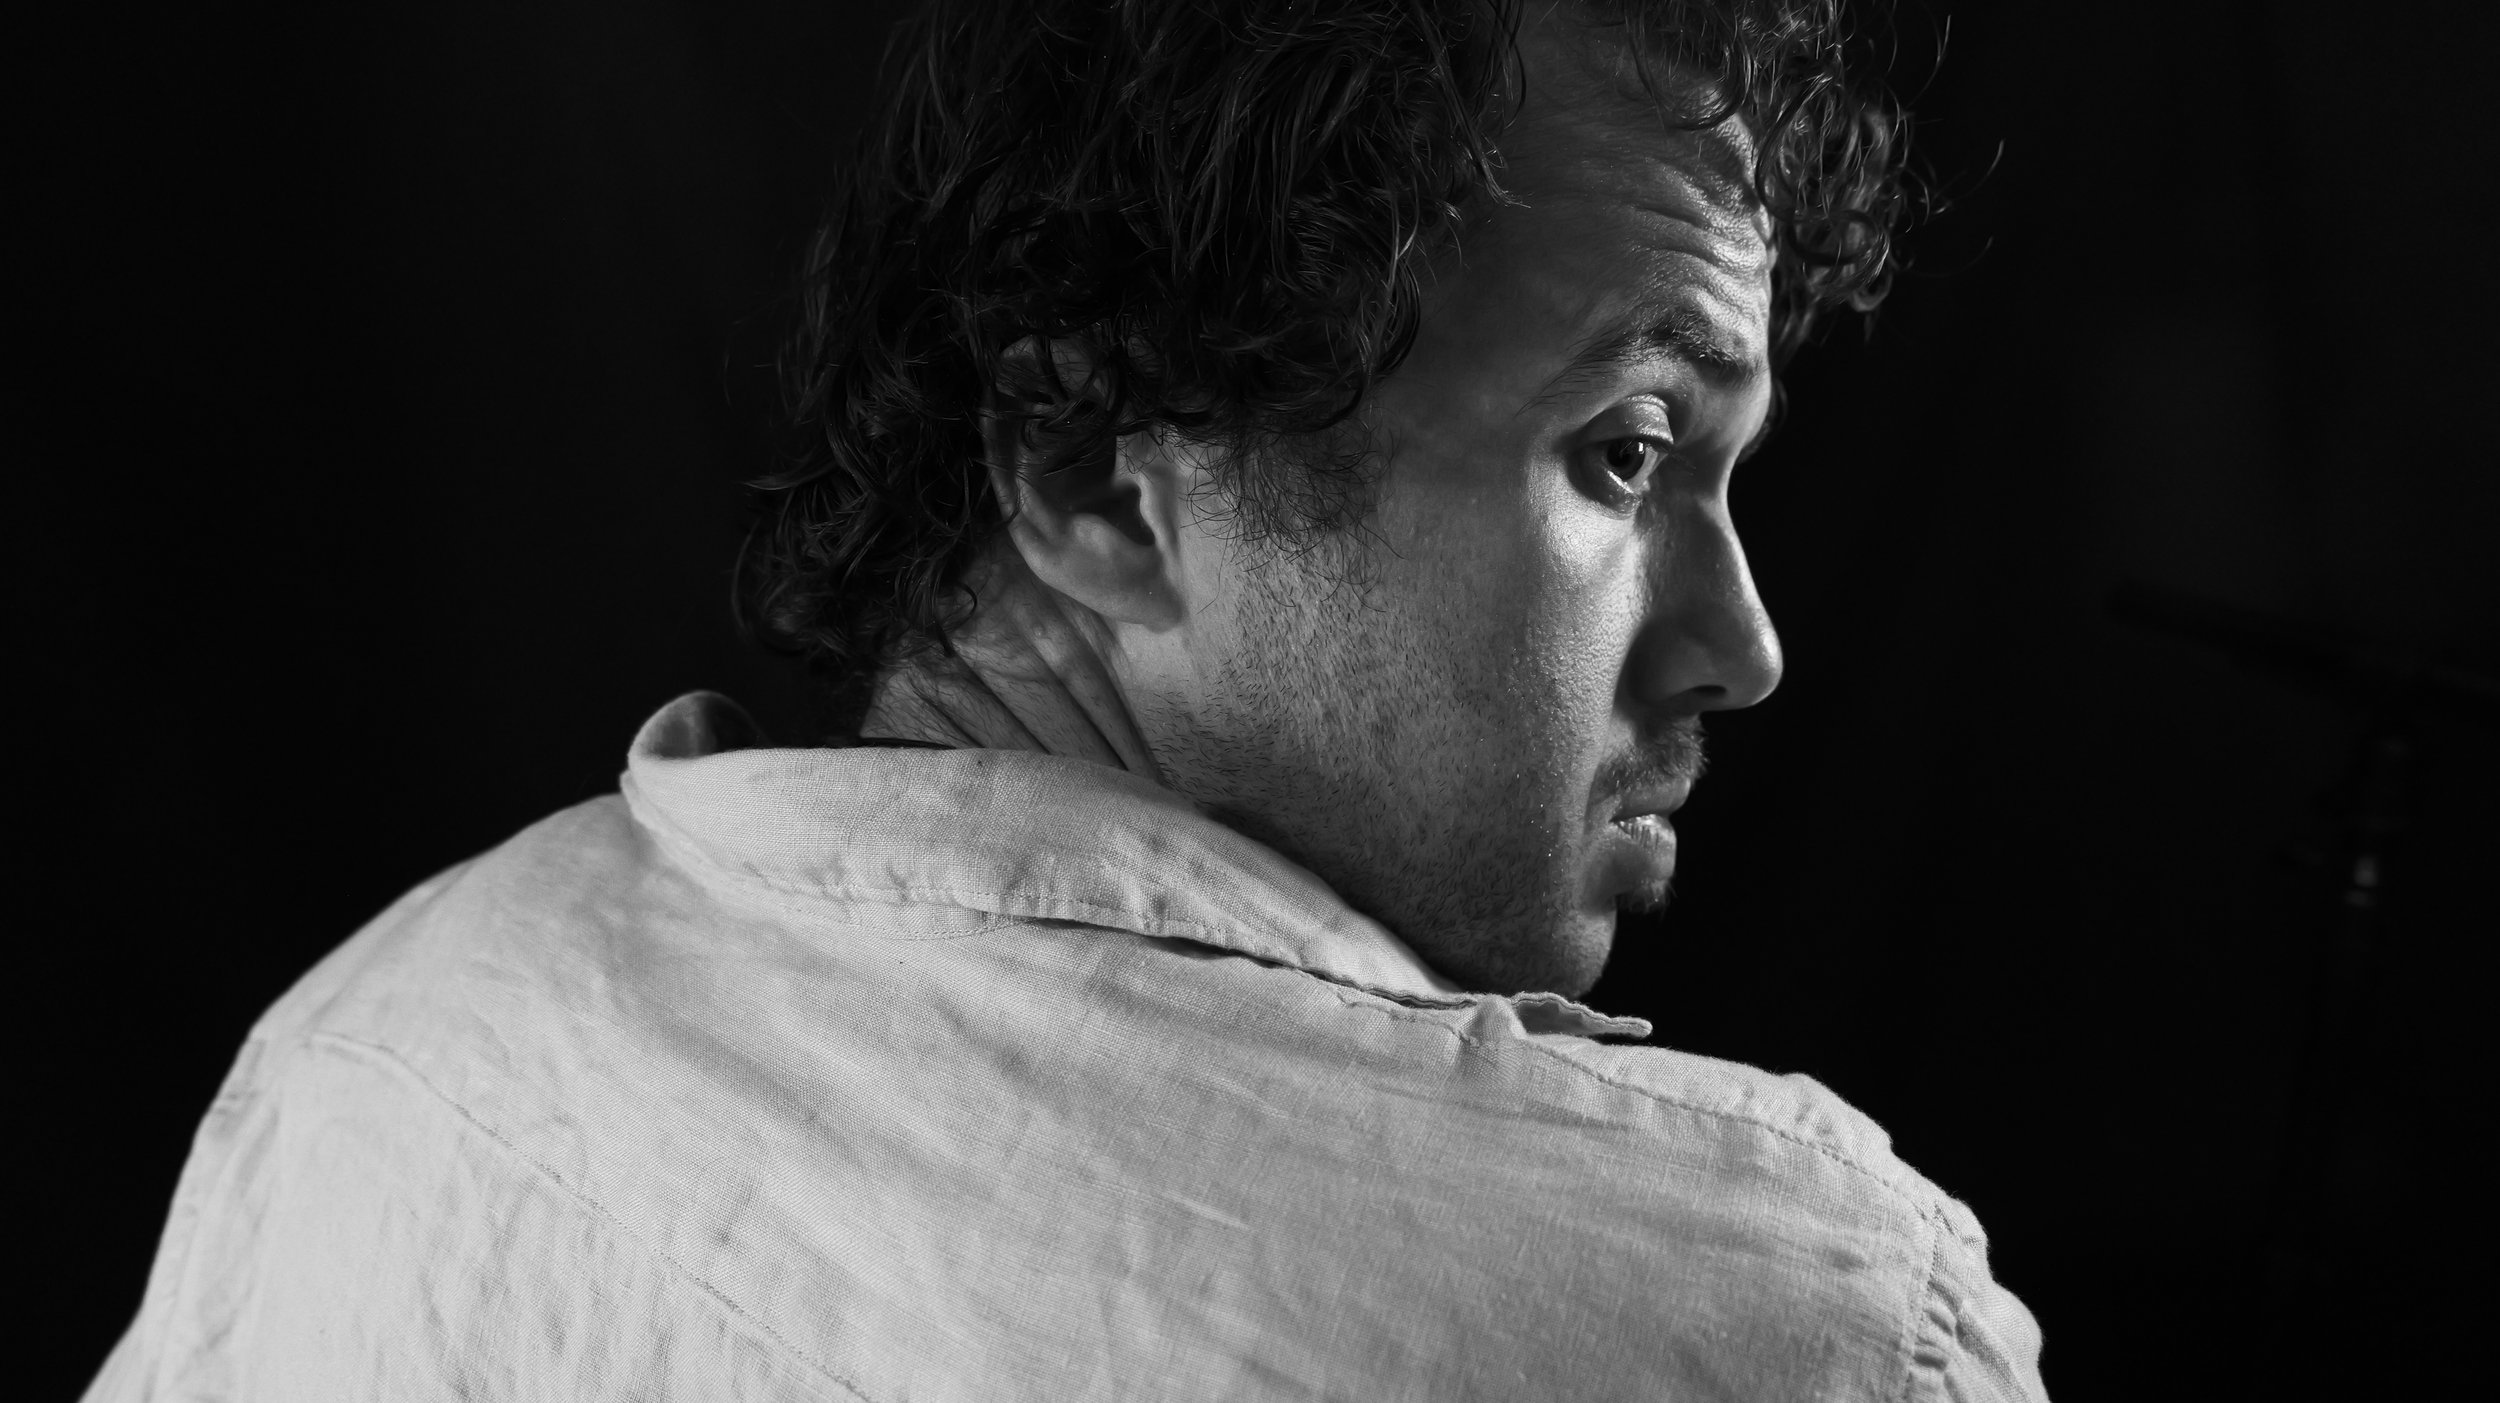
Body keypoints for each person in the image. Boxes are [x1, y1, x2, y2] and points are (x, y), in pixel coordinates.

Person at [87, 0, 2046, 1397]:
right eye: (1623, 456)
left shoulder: (376, 1043)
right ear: (1104, 482)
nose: (1746, 643)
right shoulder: (1790, 1331)